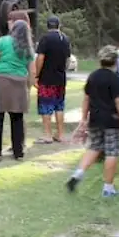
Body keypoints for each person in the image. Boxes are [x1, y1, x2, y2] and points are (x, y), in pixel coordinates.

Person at [65, 45, 119, 198]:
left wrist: (83, 119)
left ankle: (77, 174)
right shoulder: (114, 79)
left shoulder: (93, 76)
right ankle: (108, 189)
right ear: (115, 61)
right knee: (112, 151)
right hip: (111, 121)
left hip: (95, 119)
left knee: (94, 147)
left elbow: (86, 98)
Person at [0, 19, 36, 162]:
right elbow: (32, 71)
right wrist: (28, 87)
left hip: (2, 81)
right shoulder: (28, 48)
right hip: (19, 83)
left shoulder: (3, 41)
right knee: (17, 119)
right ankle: (18, 153)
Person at [35, 15, 71, 144]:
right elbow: (68, 59)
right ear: (59, 25)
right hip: (60, 78)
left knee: (46, 105)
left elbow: (40, 58)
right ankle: (60, 134)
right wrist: (63, 70)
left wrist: (36, 74)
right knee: (59, 106)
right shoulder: (65, 39)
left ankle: (48, 135)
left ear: (47, 26)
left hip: (46, 78)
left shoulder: (45, 39)